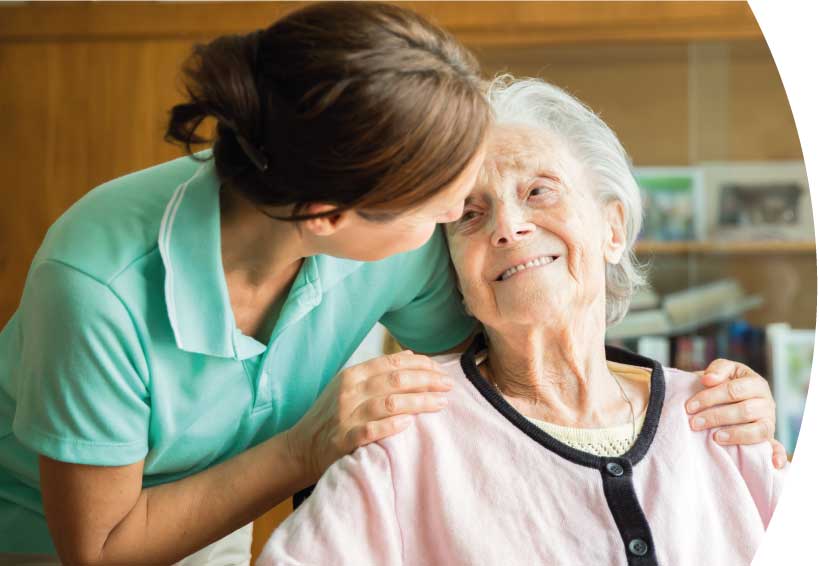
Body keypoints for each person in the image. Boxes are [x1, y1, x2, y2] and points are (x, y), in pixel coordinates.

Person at [0, 3, 780, 563]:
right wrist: (302, 450)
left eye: (533, 191)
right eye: (454, 207)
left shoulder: (386, 231)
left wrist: (683, 396)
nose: (473, 217)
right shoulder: (96, 285)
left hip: (212, 506)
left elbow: (526, 345)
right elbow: (96, 548)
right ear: (327, 218)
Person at [258, 78, 787, 566]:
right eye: (470, 213)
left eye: (539, 191)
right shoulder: (405, 434)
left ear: (612, 228)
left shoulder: (722, 416)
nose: (508, 227)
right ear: (456, 277)